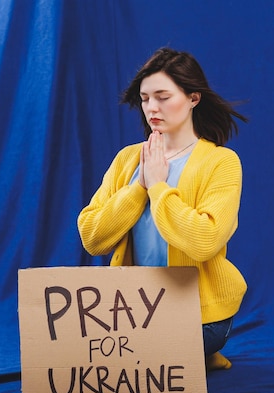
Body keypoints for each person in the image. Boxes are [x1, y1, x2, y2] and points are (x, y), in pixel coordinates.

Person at [77, 47, 248, 372]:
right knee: (84, 352)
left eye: (163, 96)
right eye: (144, 98)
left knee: (142, 359)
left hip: (199, 315)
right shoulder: (128, 160)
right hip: (131, 311)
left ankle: (202, 351)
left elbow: (205, 241)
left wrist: (158, 187)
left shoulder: (221, 163)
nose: (151, 108)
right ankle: (197, 358)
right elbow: (92, 237)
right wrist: (138, 186)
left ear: (193, 98)